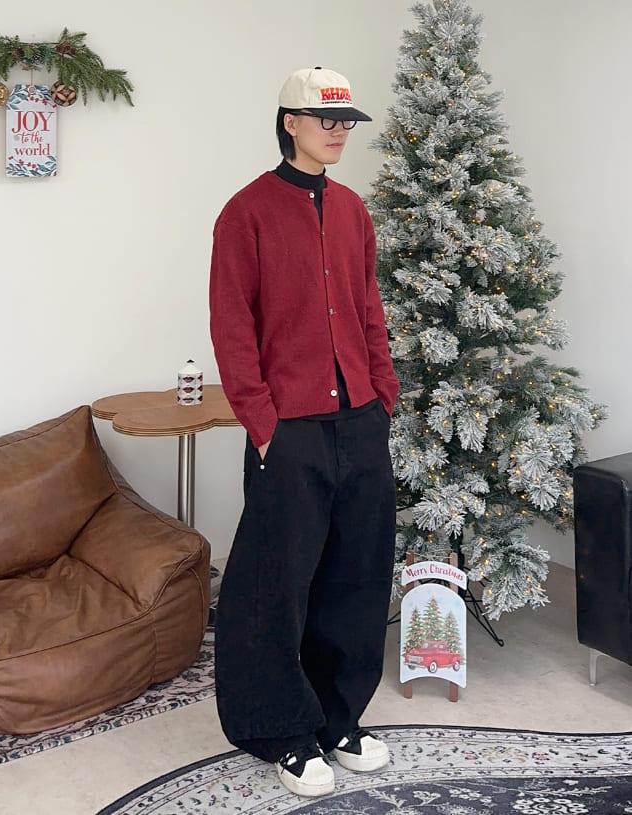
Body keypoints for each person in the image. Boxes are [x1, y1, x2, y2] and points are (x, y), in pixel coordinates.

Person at [209, 66, 399, 798]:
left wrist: (383, 396)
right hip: (288, 430)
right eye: (326, 119)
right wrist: (262, 423)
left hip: (360, 421)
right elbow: (232, 325)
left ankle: (338, 718)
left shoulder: (353, 210)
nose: (339, 131)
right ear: (289, 122)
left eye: (347, 120)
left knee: (356, 578)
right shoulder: (246, 213)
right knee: (275, 587)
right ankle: (283, 731)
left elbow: (368, 308)